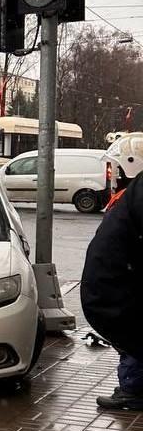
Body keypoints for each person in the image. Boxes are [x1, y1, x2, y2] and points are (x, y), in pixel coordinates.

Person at [81, 133, 143, 410]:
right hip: (121, 290)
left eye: (116, 167)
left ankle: (134, 390)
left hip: (122, 292)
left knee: (134, 338)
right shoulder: (130, 198)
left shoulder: (134, 198)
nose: (112, 174)